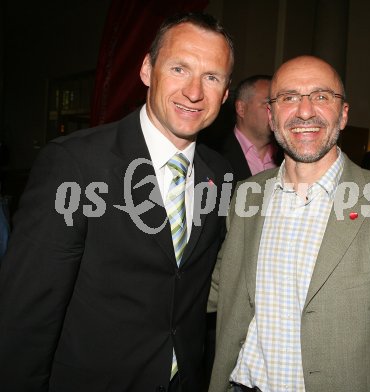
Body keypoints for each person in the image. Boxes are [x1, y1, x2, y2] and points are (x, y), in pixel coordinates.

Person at [0, 12, 234, 392]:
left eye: (212, 77)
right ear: (146, 69)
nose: (194, 92)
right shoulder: (75, 163)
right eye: (179, 68)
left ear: (224, 94)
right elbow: (26, 313)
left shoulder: (220, 174)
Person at [208, 55, 370, 392]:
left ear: (343, 114)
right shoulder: (247, 195)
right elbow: (217, 288)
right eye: (289, 98)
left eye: (321, 96)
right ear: (271, 116)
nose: (305, 111)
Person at [215, 75, 281, 181]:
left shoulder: (289, 156)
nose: (276, 111)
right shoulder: (214, 156)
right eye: (268, 104)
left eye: (279, 104)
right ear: (241, 108)